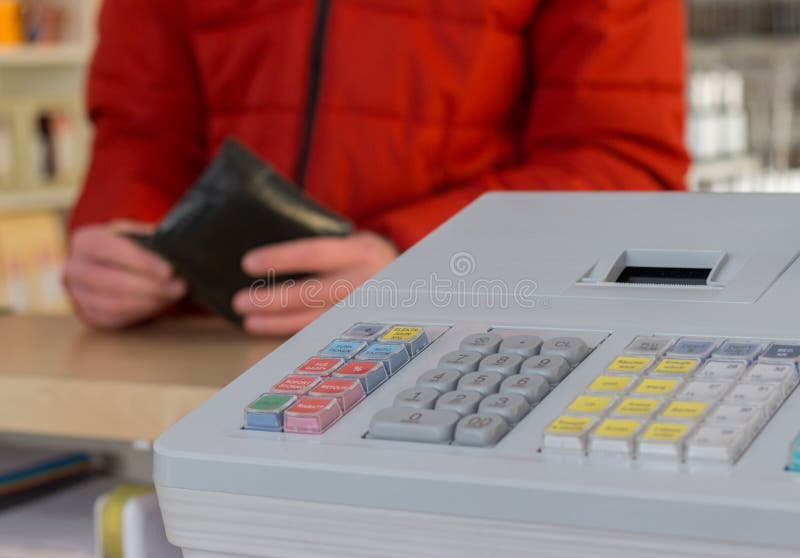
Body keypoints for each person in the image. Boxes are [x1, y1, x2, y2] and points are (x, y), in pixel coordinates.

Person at [65, 0, 689, 335]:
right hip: (205, 368)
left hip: (463, 363)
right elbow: (142, 133)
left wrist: (415, 259)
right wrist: (120, 243)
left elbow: (624, 161)